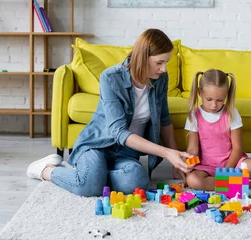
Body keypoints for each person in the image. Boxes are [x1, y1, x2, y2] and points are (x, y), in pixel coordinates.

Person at [26, 29, 192, 197]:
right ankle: (47, 170)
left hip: (127, 152)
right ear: (142, 57)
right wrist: (165, 152)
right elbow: (119, 132)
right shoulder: (111, 78)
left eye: (166, 63)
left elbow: (164, 120)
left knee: (136, 182)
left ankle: (93, 175)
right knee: (89, 188)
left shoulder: (160, 79)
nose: (163, 69)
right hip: (98, 145)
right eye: (159, 62)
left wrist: (176, 164)